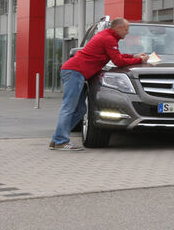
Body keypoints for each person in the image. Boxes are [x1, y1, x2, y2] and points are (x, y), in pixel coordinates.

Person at [51, 17, 148, 150]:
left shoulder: (108, 37)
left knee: (80, 110)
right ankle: (61, 141)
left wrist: (134, 57)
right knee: (68, 108)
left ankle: (57, 139)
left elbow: (116, 56)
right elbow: (118, 61)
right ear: (118, 28)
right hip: (74, 73)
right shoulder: (108, 39)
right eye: (126, 30)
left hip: (76, 73)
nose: (127, 33)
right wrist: (139, 61)